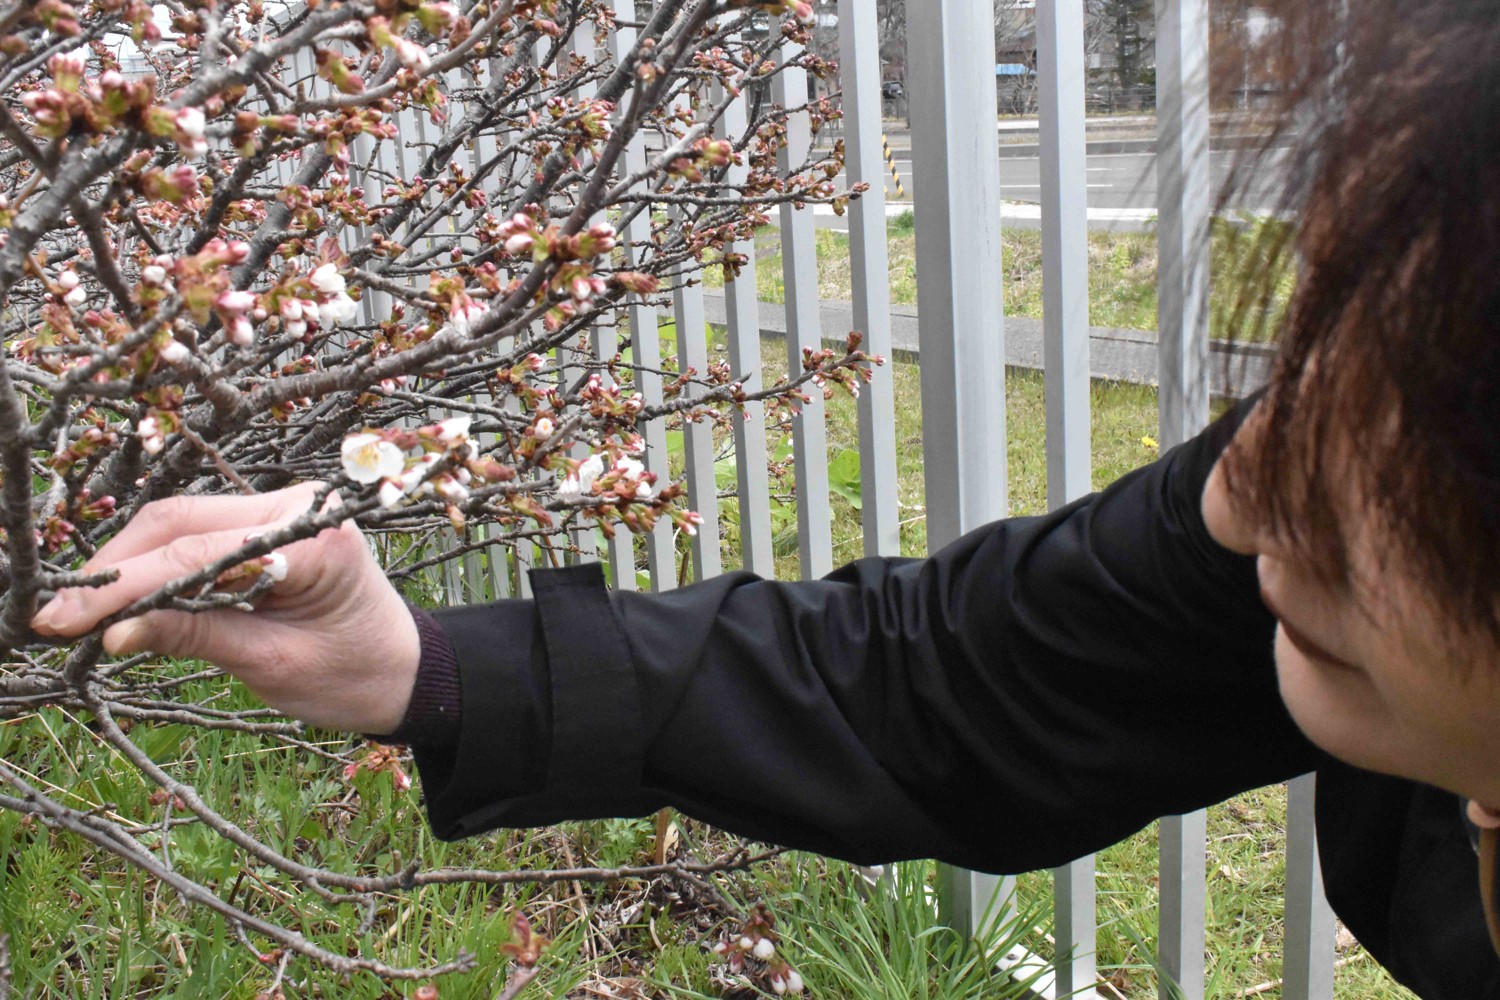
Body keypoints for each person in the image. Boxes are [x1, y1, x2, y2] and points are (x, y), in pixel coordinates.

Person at [27, 0, 1500, 995]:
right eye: (1312, 362)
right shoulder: (1300, 533)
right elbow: (946, 678)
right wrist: (423, 669)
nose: (1248, 492)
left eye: (1401, 412)